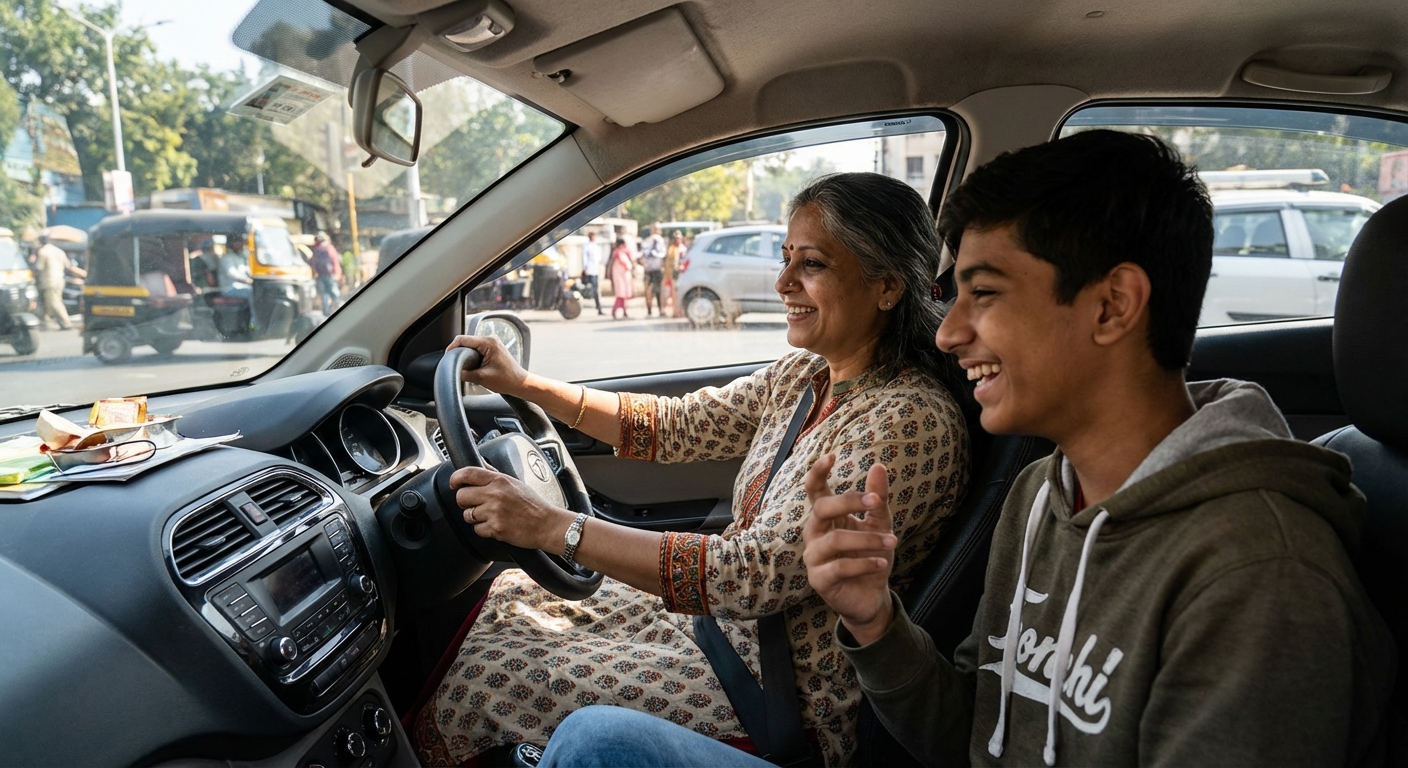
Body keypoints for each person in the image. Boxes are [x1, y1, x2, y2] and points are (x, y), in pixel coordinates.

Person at [543, 130, 1398, 767]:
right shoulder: (1042, 498)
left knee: (589, 741)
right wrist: (874, 619)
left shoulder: (1261, 576)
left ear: (1112, 307)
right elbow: (970, 735)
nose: (948, 333)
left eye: (983, 295)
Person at [412, 173, 973, 766]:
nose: (783, 283)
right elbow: (673, 426)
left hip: (783, 695)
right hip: (722, 632)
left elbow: (750, 575)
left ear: (886, 285)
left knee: (496, 680)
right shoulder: (806, 376)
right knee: (510, 602)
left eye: (812, 265)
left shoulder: (908, 422)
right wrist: (525, 385)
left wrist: (553, 528)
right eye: (786, 259)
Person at [32, 234, 82, 330]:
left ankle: (66, 322)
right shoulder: (59, 251)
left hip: (48, 282)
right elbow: (68, 266)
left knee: (54, 302)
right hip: (59, 281)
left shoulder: (43, 252)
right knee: (49, 302)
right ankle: (47, 322)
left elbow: (39, 268)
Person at [218, 236, 256, 328]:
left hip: (241, 287)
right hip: (229, 289)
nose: (240, 244)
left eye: (241, 242)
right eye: (237, 242)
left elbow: (249, 270)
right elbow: (232, 274)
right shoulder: (226, 257)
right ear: (230, 244)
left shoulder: (241, 256)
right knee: (252, 292)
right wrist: (248, 281)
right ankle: (254, 322)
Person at [310, 231, 342, 314]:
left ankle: (326, 312)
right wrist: (337, 274)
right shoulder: (329, 247)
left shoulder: (316, 249)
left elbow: (313, 262)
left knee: (324, 294)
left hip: (320, 275)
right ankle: (338, 309)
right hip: (330, 274)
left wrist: (314, 273)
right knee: (334, 293)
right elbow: (335, 261)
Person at [639, 224, 666, 317]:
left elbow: (642, 256)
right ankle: (660, 310)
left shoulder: (646, 241)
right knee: (658, 290)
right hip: (656, 268)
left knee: (648, 290)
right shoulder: (660, 240)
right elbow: (663, 254)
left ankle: (649, 310)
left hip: (648, 269)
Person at [580, 230, 606, 315]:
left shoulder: (596, 246)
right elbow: (585, 258)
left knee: (596, 290)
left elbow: (598, 258)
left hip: (595, 270)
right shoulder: (586, 246)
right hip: (589, 270)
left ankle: (598, 307)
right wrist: (585, 268)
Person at [609, 237, 634, 319]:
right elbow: (627, 265)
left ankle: (624, 311)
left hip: (622, 276)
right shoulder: (619, 253)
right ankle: (615, 310)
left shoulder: (618, 252)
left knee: (623, 295)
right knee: (621, 295)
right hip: (621, 277)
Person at [664, 230, 686, 318]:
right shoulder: (671, 249)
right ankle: (675, 311)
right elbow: (669, 263)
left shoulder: (683, 248)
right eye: (676, 238)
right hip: (674, 273)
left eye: (679, 238)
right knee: (673, 294)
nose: (677, 240)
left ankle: (681, 311)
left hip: (683, 273)